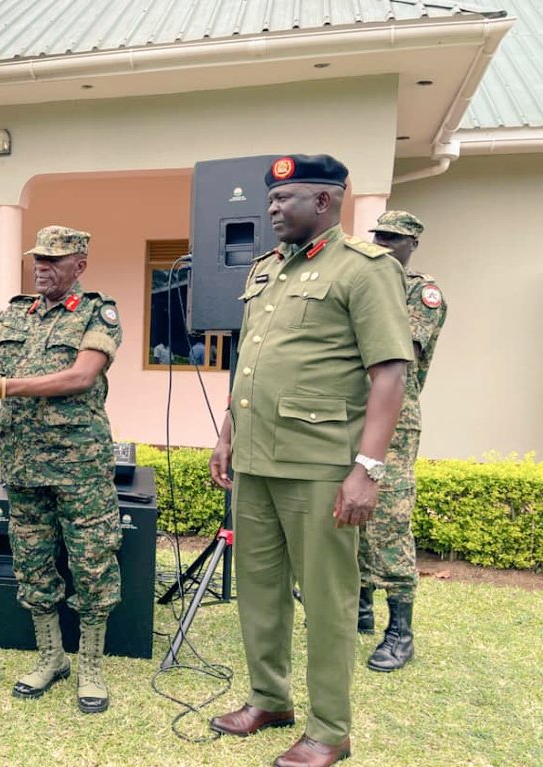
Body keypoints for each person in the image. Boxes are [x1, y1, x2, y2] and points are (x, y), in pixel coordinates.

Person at [207, 155, 413, 767]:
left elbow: (390, 374)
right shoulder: (268, 270)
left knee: (327, 600)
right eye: (271, 198)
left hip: (321, 464)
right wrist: (228, 432)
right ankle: (270, 698)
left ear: (325, 201)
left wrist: (366, 471)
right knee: (258, 589)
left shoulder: (364, 269)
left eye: (285, 197)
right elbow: (252, 363)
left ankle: (330, 730)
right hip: (258, 461)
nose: (272, 207)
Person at [0, 225, 122, 714]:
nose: (42, 267)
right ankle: (51, 658)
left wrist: (6, 387)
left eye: (54, 260)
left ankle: (90, 666)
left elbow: (81, 376)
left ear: (80, 264)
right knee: (32, 562)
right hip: (24, 461)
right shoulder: (14, 313)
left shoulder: (99, 312)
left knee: (92, 563)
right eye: (39, 259)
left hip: (79, 466)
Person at [359, 210, 447, 672]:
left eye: (393, 238)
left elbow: (400, 351)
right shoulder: (367, 281)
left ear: (412, 243)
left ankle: (400, 631)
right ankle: (360, 608)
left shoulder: (421, 292)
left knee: (388, 520)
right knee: (346, 512)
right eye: (378, 236)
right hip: (350, 414)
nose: (383, 244)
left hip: (395, 420)